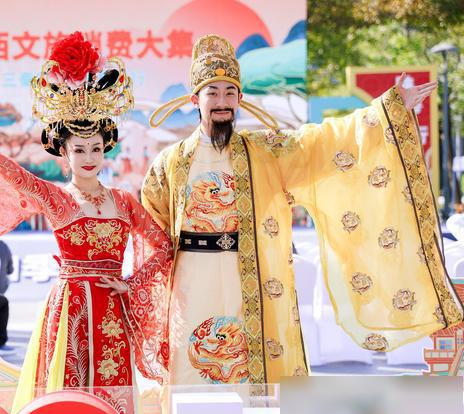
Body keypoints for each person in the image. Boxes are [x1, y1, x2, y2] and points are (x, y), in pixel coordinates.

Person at [142, 34, 463, 387]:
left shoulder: (264, 151)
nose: (222, 102)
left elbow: (321, 141)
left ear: (240, 100)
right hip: (191, 280)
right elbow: (151, 233)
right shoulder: (169, 163)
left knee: (249, 368)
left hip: (247, 276)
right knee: (192, 367)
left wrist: (385, 110)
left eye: (230, 93)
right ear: (195, 100)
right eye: (212, 93)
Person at [0, 32, 171, 414]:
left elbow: (163, 247)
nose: (89, 157)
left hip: (112, 310)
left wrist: (132, 283)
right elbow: (1, 166)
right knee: (66, 400)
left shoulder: (125, 200)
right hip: (70, 308)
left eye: (96, 148)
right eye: (79, 149)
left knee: (113, 396)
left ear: (106, 148)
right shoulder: (56, 198)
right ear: (64, 152)